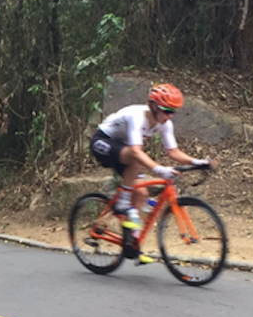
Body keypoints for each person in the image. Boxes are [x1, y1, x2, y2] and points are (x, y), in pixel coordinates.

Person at [89, 83, 217, 261]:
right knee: (137, 159)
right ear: (154, 106)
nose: (170, 116)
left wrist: (198, 162)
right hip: (103, 142)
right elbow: (135, 151)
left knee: (141, 194)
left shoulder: (165, 123)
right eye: (167, 111)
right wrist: (158, 169)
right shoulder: (137, 117)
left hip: (123, 150)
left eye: (173, 112)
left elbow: (173, 152)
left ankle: (130, 244)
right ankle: (123, 203)